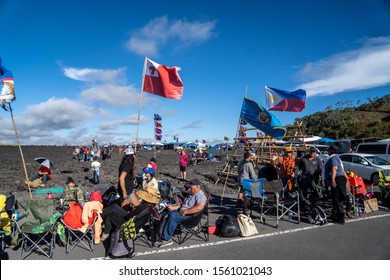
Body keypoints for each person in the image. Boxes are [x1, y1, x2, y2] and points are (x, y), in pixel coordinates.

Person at [156, 179, 207, 247]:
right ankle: (158, 232)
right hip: (183, 212)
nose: (189, 188)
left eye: (191, 187)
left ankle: (166, 239)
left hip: (191, 217)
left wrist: (185, 211)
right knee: (165, 211)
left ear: (197, 186)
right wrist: (173, 207)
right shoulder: (192, 194)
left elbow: (199, 207)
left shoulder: (200, 195)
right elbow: (184, 205)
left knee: (173, 216)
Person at [323, 144, 347, 224]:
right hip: (340, 179)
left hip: (337, 179)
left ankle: (341, 218)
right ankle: (335, 215)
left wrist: (333, 179)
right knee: (335, 198)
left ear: (331, 151)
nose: (328, 152)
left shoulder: (333, 158)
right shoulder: (337, 157)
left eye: (329, 150)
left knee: (337, 199)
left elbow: (334, 168)